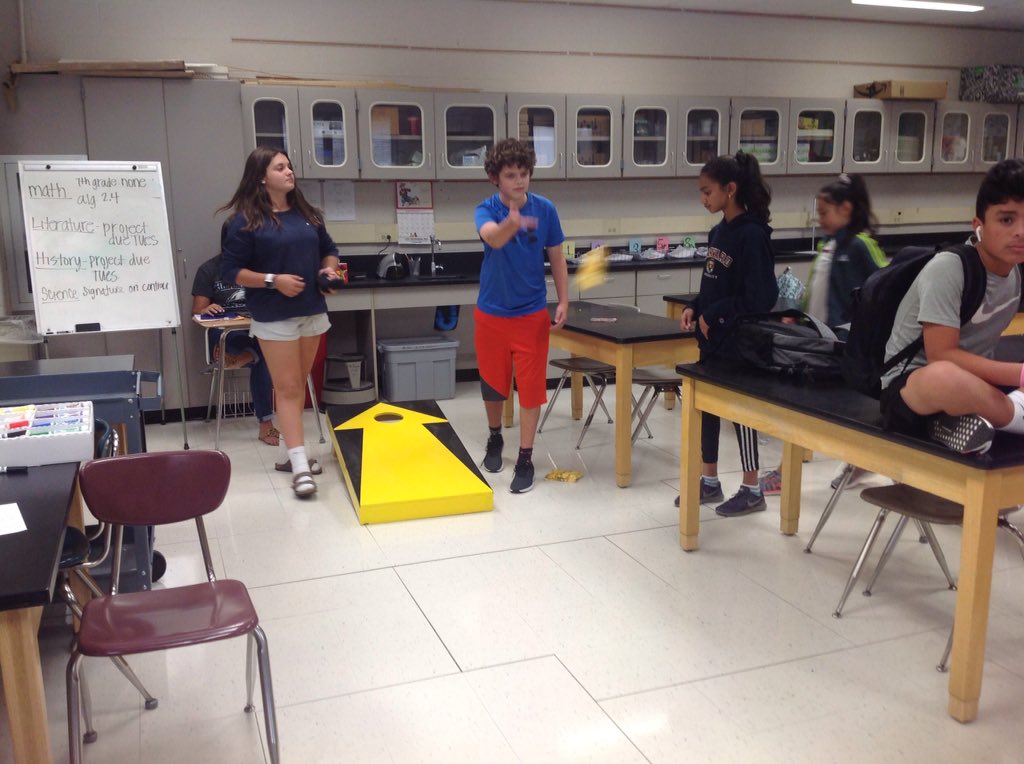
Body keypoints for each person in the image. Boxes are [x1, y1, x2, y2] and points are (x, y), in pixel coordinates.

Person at [879, 158, 1024, 456]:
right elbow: (941, 355)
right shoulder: (950, 267)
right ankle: (1015, 416)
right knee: (945, 376)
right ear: (979, 226)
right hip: (912, 389)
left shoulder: (1015, 274)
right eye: (1007, 220)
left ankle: (964, 421)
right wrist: (1019, 376)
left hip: (977, 387)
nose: (1020, 231)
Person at [219, 147, 341, 498]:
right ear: (262, 177)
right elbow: (231, 271)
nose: (289, 172)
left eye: (289, 166)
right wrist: (274, 280)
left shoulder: (307, 215)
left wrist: (328, 271)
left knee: (297, 385)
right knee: (287, 388)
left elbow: (329, 250)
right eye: (280, 167)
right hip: (274, 315)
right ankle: (301, 467)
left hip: (312, 311)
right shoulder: (245, 221)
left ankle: (290, 455)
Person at [760, 173, 888, 495]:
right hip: (822, 342)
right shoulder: (830, 245)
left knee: (817, 407)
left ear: (846, 209)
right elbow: (817, 289)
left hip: (848, 346)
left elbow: (887, 285)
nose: (820, 219)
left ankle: (852, 464)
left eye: (824, 212)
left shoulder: (861, 245)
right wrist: (800, 318)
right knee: (800, 404)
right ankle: (846, 464)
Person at [678, 151, 779, 517]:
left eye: (708, 191)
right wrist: (695, 306)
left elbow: (761, 297)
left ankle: (752, 488)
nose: (703, 199)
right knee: (707, 408)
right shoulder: (718, 232)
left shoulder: (752, 235)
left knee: (741, 412)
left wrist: (716, 313)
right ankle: (709, 480)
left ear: (730, 189)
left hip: (740, 343)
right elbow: (715, 284)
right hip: (713, 341)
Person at [474, 138, 570, 494]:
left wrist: (563, 300)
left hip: (531, 314)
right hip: (492, 313)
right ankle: (495, 437)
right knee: (493, 384)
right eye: (510, 175)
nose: (519, 181)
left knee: (530, 390)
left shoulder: (546, 209)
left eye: (524, 174)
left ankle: (526, 457)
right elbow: (493, 239)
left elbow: (557, 257)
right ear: (495, 178)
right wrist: (512, 222)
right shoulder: (485, 209)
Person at [190, 226, 278, 447]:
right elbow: (197, 311)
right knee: (264, 356)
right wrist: (207, 308)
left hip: (256, 330)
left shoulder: (259, 269)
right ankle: (266, 426)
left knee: (264, 349)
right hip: (224, 334)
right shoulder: (209, 269)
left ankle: (243, 358)